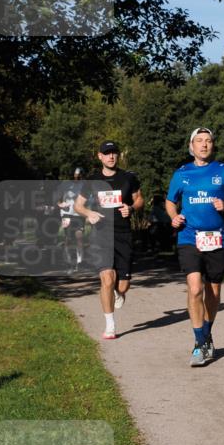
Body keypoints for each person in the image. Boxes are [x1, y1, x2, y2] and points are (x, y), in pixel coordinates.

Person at [166, 127, 224, 366]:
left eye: (208, 141)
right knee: (195, 289)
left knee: (213, 291)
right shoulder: (182, 173)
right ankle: (200, 342)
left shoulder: (223, 171)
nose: (204, 144)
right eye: (199, 141)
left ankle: (206, 335)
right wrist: (174, 217)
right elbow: (170, 201)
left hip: (217, 239)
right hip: (189, 237)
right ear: (191, 146)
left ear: (212, 145)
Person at [75, 141, 143, 340]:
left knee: (122, 285)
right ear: (100, 156)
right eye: (107, 153)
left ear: (118, 155)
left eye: (114, 153)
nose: (111, 156)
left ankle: (118, 293)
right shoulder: (92, 180)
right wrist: (89, 213)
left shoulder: (128, 177)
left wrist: (131, 208)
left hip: (123, 234)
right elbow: (78, 206)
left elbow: (139, 199)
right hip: (100, 234)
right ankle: (110, 325)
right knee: (107, 278)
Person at [57, 167, 86, 272]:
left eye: (79, 175)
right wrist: (60, 204)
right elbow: (58, 198)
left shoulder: (84, 185)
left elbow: (89, 198)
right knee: (68, 239)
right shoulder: (65, 184)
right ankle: (68, 262)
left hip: (79, 214)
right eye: (75, 175)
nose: (77, 178)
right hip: (67, 214)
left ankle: (80, 262)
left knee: (79, 237)